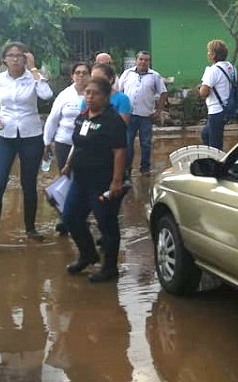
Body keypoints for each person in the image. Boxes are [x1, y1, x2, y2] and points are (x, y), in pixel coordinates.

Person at [0, 41, 53, 252]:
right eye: (11, 55)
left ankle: (30, 229)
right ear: (4, 59)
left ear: (26, 58)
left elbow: (47, 95)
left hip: (31, 134)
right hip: (4, 134)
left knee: (28, 183)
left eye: (20, 55)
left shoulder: (34, 77)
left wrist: (35, 69)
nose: (15, 59)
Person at [61, 77, 127, 283]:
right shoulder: (83, 116)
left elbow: (119, 152)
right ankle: (88, 254)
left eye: (95, 93)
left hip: (102, 181)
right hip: (80, 180)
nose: (89, 97)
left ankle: (109, 267)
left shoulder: (113, 121)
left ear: (106, 97)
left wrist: (116, 181)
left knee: (106, 224)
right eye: (87, 92)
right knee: (70, 217)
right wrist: (68, 164)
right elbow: (77, 144)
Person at [117, 51, 168, 175]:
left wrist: (159, 111)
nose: (143, 62)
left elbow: (163, 93)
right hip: (128, 115)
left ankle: (145, 168)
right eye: (141, 59)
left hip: (146, 116)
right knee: (127, 143)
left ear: (149, 62)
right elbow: (119, 91)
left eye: (146, 60)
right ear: (136, 60)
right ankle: (127, 168)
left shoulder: (154, 76)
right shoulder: (127, 74)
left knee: (145, 143)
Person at [44, 61, 91, 172]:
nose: (81, 75)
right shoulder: (64, 95)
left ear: (90, 75)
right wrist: (47, 142)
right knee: (65, 176)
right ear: (72, 76)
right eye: (77, 72)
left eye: (84, 73)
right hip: (64, 141)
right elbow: (53, 119)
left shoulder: (95, 94)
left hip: (87, 143)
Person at [198, 39, 234, 150]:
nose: (208, 54)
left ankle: (215, 163)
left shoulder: (213, 70)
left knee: (215, 144)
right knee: (206, 133)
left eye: (209, 51)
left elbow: (204, 92)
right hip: (227, 107)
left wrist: (200, 88)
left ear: (213, 54)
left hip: (216, 110)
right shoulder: (230, 67)